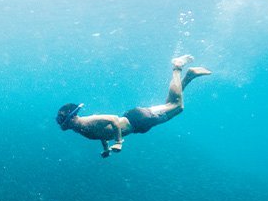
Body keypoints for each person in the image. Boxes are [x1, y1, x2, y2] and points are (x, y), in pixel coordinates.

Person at [56, 54, 211, 158]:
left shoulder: (87, 121)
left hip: (138, 120)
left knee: (177, 106)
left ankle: (178, 67)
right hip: (137, 123)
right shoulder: (82, 130)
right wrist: (105, 149)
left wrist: (118, 142)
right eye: (67, 124)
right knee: (170, 104)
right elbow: (101, 134)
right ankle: (188, 77)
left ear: (74, 116)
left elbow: (114, 120)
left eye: (70, 121)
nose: (70, 125)